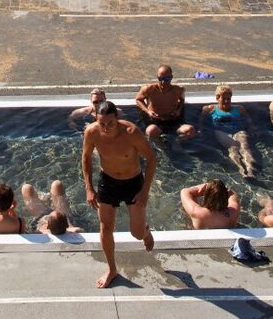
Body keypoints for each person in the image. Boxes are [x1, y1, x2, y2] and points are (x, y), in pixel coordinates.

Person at [81, 100, 156, 289]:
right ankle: (112, 269)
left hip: (133, 183)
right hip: (108, 181)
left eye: (110, 123)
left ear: (118, 119)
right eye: (102, 124)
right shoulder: (91, 132)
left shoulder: (132, 133)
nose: (106, 128)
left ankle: (146, 232)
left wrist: (144, 191)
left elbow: (152, 159)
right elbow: (86, 157)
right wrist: (89, 188)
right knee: (106, 227)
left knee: (136, 233)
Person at [200, 84, 257, 179]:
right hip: (221, 132)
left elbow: (249, 120)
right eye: (224, 98)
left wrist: (252, 129)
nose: (226, 101)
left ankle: (251, 170)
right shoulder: (209, 109)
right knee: (233, 147)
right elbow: (201, 122)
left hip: (238, 131)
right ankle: (242, 170)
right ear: (217, 98)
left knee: (245, 146)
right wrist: (202, 132)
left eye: (228, 99)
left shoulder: (239, 109)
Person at [135, 64, 195, 143]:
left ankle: (176, 142)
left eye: (167, 79)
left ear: (171, 77)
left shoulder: (178, 90)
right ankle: (160, 146)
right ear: (157, 77)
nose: (163, 82)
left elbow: (182, 101)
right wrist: (148, 111)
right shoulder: (149, 89)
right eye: (161, 78)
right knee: (151, 131)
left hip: (172, 120)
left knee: (190, 130)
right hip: (155, 120)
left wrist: (178, 110)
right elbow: (138, 100)